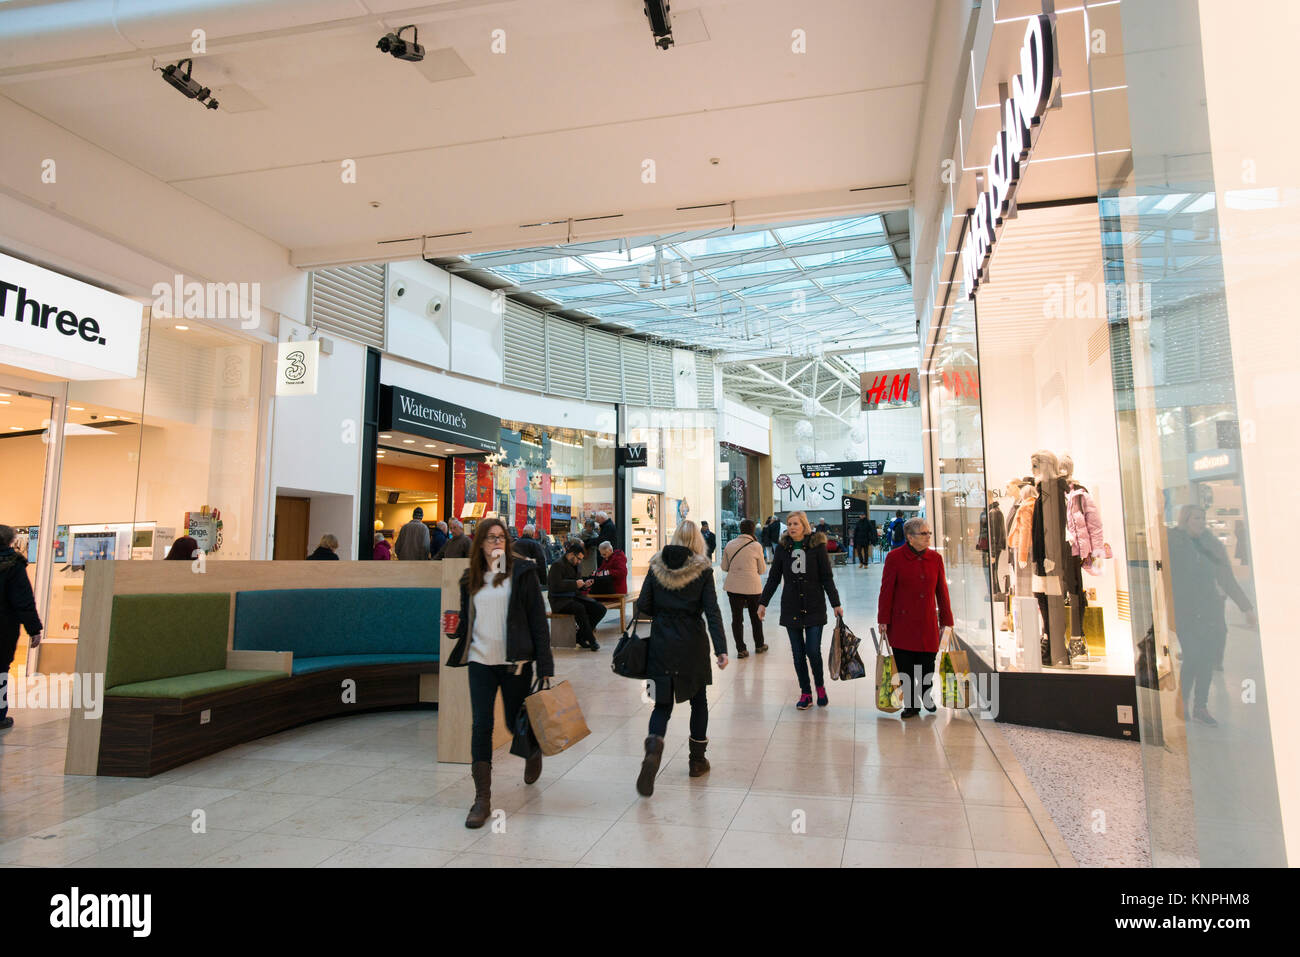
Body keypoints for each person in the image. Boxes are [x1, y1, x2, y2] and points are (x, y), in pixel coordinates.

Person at [445, 517, 553, 828]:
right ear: (479, 543)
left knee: (512, 721)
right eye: (490, 538)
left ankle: (532, 751)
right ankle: (482, 798)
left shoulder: (522, 573)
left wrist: (545, 666)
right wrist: (453, 632)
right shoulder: (471, 579)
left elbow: (537, 622)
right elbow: (467, 623)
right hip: (480, 662)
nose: (496, 542)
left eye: (501, 537)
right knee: (481, 725)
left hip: (514, 663)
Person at [634, 519, 728, 796]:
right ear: (698, 541)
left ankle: (653, 747)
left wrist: (665, 610)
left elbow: (643, 606)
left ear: (674, 538)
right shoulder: (702, 570)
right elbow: (712, 611)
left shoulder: (656, 565)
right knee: (698, 701)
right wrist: (721, 648)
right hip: (692, 643)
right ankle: (697, 762)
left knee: (661, 705)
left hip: (662, 642)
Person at [1168, 504, 1255, 726]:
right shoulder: (1173, 542)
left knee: (1206, 658)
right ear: (1185, 519)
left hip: (1208, 610)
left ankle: (1200, 706)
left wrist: (1246, 607)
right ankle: (1183, 701)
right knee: (1193, 656)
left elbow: (1226, 577)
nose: (1200, 522)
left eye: (1202, 518)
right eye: (1196, 518)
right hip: (1185, 611)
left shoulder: (1211, 544)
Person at [759, 510, 843, 710]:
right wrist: (763, 602)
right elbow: (773, 578)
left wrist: (836, 603)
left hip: (814, 606)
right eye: (789, 523)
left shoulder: (817, 546)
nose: (792, 527)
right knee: (798, 654)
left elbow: (826, 577)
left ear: (804, 525)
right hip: (791, 607)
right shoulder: (783, 548)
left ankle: (820, 687)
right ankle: (806, 692)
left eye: (796, 523)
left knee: (813, 651)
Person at [877, 517, 953, 718]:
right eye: (924, 533)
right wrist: (883, 619)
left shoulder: (935, 559)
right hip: (902, 623)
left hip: (927, 622)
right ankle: (911, 705)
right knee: (906, 666)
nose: (928, 537)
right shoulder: (894, 558)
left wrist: (947, 621)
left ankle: (926, 695)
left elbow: (942, 592)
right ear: (910, 537)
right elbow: (886, 591)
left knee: (927, 663)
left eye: (929, 533)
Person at [0, 525, 43, 731]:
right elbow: (23, 600)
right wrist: (34, 629)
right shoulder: (14, 566)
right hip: (4, 628)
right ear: (10, 542)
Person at [721, 518, 768, 658]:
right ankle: (759, 645)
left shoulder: (730, 544)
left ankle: (741, 649)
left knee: (737, 619)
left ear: (740, 529)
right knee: (756, 617)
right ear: (753, 530)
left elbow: (724, 567)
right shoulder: (756, 546)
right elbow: (762, 570)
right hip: (753, 587)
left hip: (734, 587)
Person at [547, 542, 606, 651]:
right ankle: (591, 640)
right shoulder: (557, 565)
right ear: (571, 554)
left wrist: (584, 585)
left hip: (574, 597)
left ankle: (579, 637)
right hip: (560, 600)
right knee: (579, 608)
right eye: (578, 559)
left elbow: (577, 585)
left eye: (581, 560)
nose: (579, 562)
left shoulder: (576, 565)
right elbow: (555, 585)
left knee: (600, 609)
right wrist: (575, 584)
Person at [511, 524, 549, 590]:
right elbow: (541, 562)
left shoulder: (514, 544)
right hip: (531, 579)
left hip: (516, 578)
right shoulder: (535, 545)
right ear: (532, 533)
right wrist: (543, 581)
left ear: (523, 532)